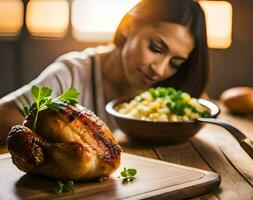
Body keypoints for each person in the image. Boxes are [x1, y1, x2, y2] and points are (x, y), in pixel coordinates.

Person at [0, 0, 208, 145]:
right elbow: (4, 116)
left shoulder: (174, 91)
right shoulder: (71, 74)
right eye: (156, 48)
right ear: (128, 26)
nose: (160, 69)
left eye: (176, 62)